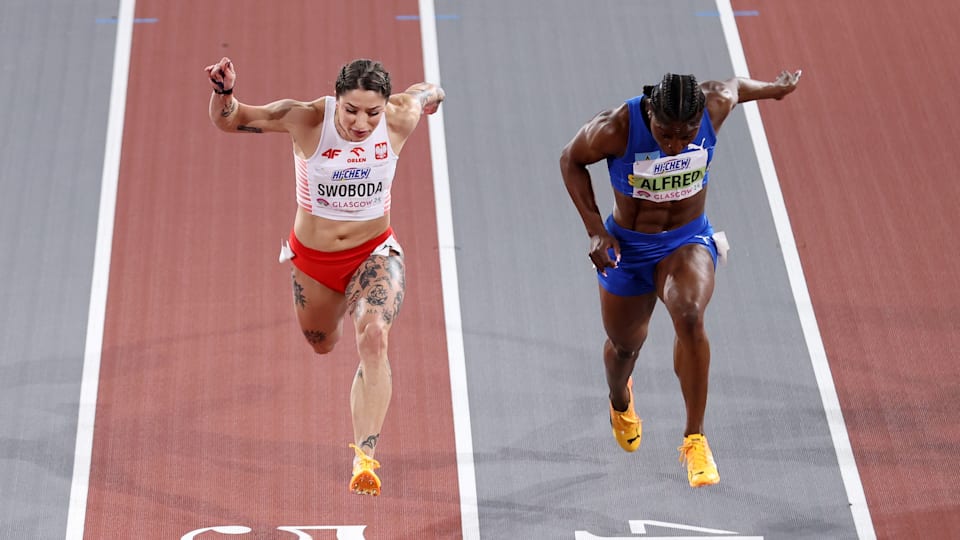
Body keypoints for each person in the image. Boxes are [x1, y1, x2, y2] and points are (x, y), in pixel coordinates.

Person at [205, 56, 444, 496]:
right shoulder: (308, 119)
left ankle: (365, 457)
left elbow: (424, 91)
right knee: (321, 343)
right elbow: (233, 120)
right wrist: (225, 93)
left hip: (374, 252)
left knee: (373, 335)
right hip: (313, 263)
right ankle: (331, 328)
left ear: (386, 107)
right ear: (336, 100)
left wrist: (431, 95)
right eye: (351, 110)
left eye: (372, 112)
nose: (360, 122)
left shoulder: (400, 118)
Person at [559, 70, 801, 487]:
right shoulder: (616, 127)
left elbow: (737, 86)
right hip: (629, 249)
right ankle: (620, 401)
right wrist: (595, 230)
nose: (676, 145)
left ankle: (695, 439)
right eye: (666, 135)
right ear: (650, 112)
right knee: (624, 347)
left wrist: (775, 91)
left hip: (687, 240)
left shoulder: (715, 103)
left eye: (686, 135)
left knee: (689, 315)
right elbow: (570, 159)